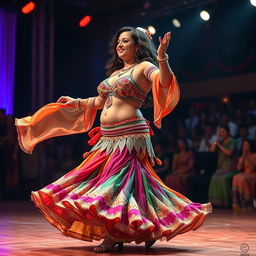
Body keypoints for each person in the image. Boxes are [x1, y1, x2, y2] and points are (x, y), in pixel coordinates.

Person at [15, 26, 212, 253]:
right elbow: (101, 102)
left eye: (125, 41)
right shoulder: (114, 74)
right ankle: (148, 228)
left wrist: (162, 57)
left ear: (137, 46)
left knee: (114, 184)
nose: (119, 45)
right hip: (107, 137)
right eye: (118, 41)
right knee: (126, 185)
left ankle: (111, 236)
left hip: (130, 135)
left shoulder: (144, 67)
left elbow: (164, 81)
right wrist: (76, 102)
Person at [208, 125, 238, 208]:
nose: (221, 133)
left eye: (223, 131)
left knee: (223, 179)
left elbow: (229, 153)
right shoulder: (219, 141)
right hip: (221, 168)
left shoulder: (233, 142)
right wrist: (216, 140)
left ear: (228, 132)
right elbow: (211, 150)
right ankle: (216, 203)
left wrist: (219, 145)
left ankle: (226, 203)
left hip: (231, 168)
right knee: (214, 178)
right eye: (220, 132)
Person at [232, 139, 256, 210]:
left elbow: (253, 166)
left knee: (243, 178)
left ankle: (246, 204)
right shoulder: (242, 157)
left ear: (251, 146)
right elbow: (239, 169)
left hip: (253, 175)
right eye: (244, 145)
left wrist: (247, 156)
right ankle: (237, 204)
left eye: (247, 145)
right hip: (244, 174)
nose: (245, 147)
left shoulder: (254, 155)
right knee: (235, 177)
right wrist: (244, 156)